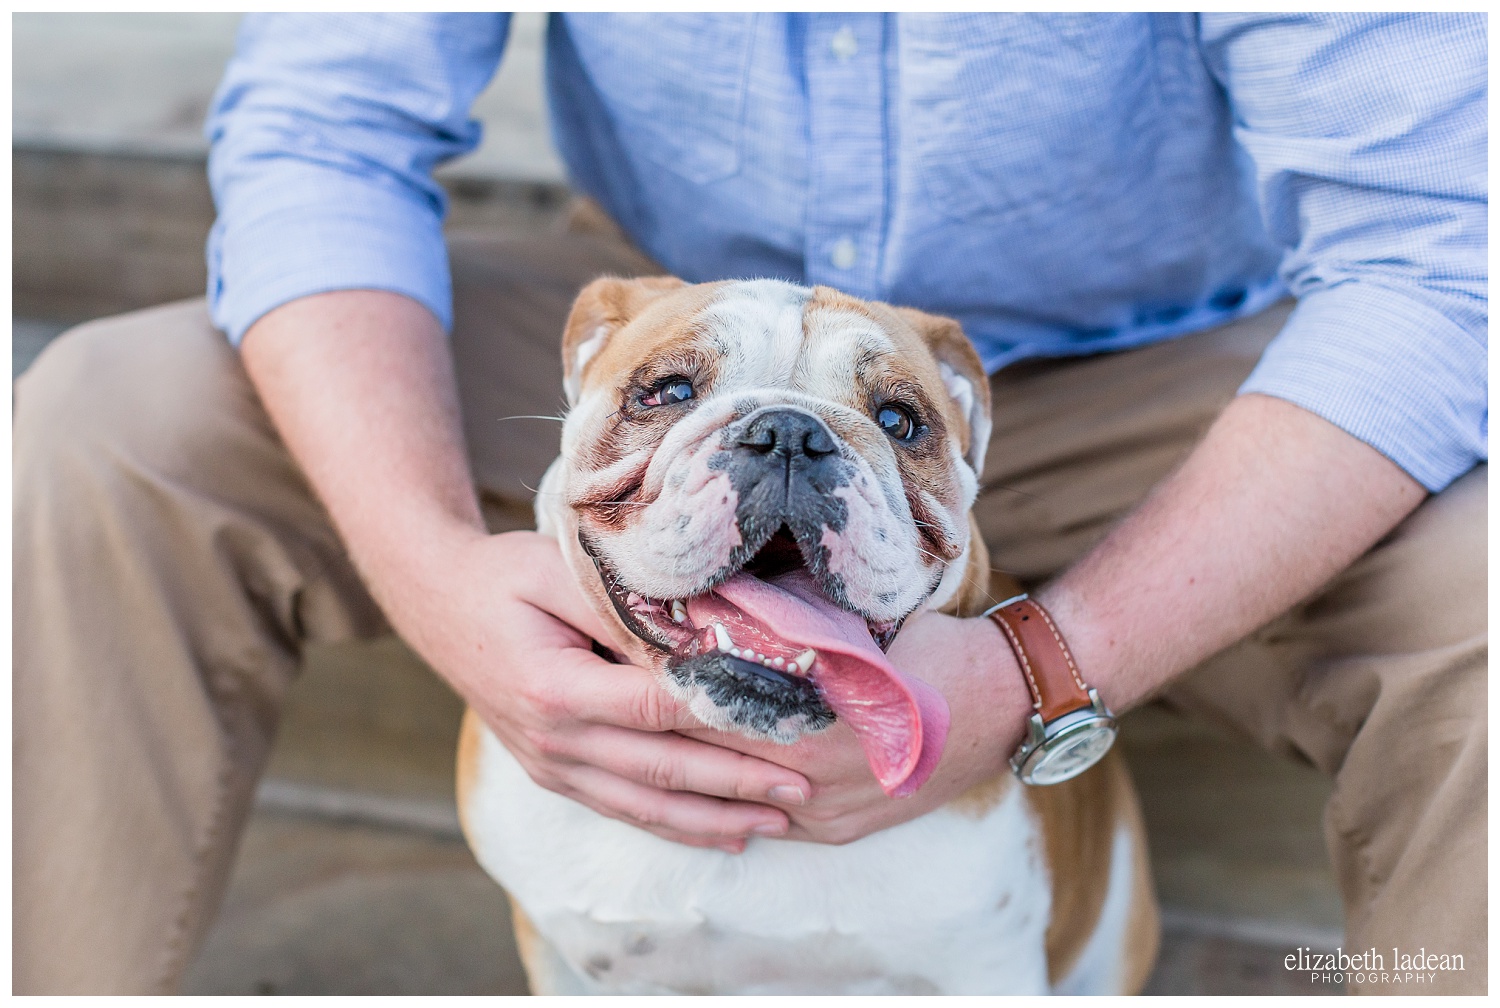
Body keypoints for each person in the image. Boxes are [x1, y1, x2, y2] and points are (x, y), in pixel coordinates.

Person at [14, 13, 1484, 995]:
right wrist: (427, 563)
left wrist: (1045, 664)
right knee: (116, 419)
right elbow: (317, 134)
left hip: (1170, 373)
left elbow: (1441, 252)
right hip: (676, 324)